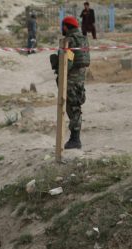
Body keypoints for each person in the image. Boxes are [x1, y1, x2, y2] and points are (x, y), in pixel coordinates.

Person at [50, 15, 90, 149]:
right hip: (80, 79)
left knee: (72, 108)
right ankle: (75, 138)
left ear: (66, 26)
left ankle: (75, 139)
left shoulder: (70, 41)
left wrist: (57, 64)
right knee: (76, 107)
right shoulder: (83, 39)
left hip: (71, 79)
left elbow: (68, 63)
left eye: (63, 26)